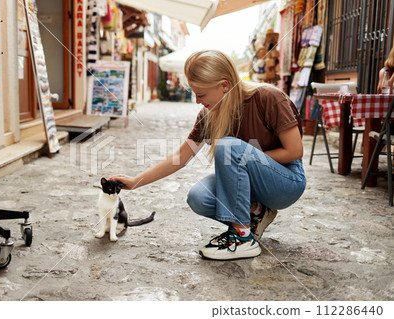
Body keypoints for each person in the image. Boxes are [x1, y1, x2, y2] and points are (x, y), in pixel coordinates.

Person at [110, 50, 306, 260]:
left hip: (286, 183)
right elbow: (180, 158)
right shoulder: (208, 115)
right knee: (199, 197)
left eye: (201, 94)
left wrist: (245, 157)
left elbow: (294, 151)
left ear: (224, 85)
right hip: (251, 187)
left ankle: (242, 238)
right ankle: (256, 212)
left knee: (229, 147)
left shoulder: (269, 97)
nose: (196, 101)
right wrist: (135, 182)